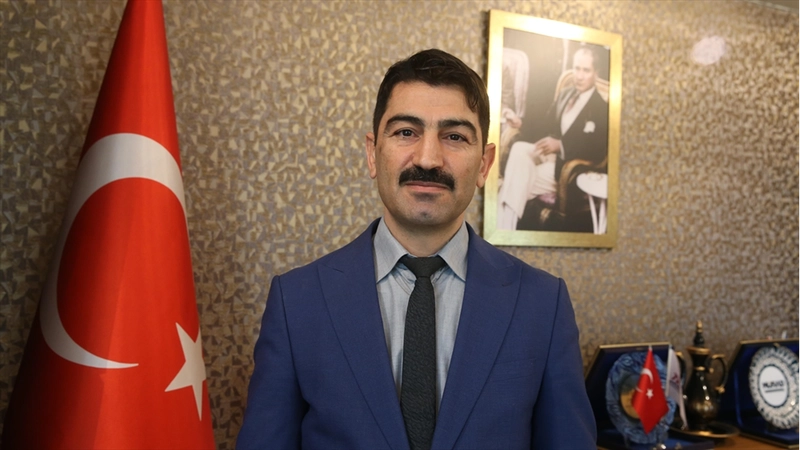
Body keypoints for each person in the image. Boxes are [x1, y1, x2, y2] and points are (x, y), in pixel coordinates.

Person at [237, 49, 596, 450]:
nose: (428, 158)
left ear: (484, 164)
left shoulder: (543, 304)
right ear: (372, 154)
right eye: (406, 132)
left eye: (454, 136)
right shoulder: (296, 302)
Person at [497, 46, 609, 231]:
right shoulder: (566, 94)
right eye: (577, 68)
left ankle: (503, 230)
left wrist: (561, 145)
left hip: (567, 169)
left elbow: (596, 149)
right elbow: (545, 124)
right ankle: (505, 230)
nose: (579, 76)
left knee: (513, 181)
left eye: (586, 70)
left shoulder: (601, 108)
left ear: (596, 73)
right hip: (548, 157)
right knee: (519, 149)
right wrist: (520, 122)